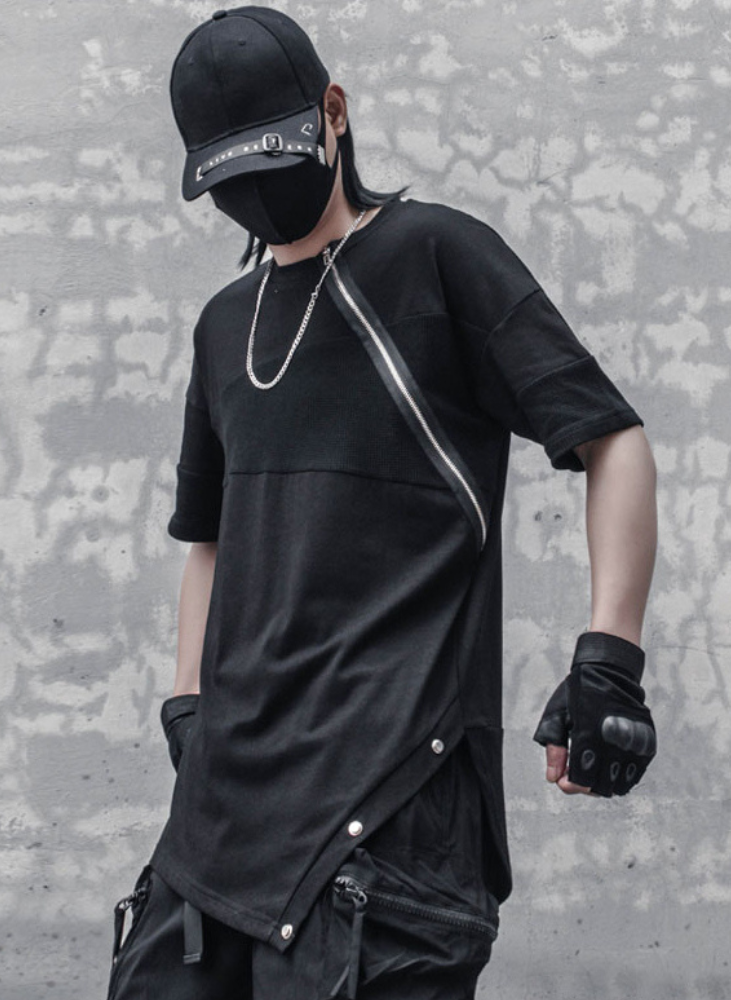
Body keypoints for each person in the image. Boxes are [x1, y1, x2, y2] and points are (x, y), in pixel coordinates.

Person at [105, 6, 658, 999]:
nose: (255, 193)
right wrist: (188, 707)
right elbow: (210, 538)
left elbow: (609, 438)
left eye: (271, 158)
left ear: (334, 112)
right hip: (219, 818)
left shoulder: (435, 255)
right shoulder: (223, 324)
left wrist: (607, 662)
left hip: (393, 809)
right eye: (227, 179)